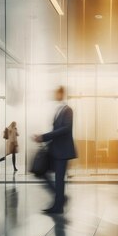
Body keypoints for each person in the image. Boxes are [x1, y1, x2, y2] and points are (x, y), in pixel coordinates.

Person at [34, 86, 77, 214]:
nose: (55, 95)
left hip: (63, 151)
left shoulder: (68, 110)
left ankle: (58, 206)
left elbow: (65, 129)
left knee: (59, 179)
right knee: (42, 173)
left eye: (56, 93)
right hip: (55, 150)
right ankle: (60, 200)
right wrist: (43, 139)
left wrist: (44, 137)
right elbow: (56, 130)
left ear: (61, 94)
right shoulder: (59, 110)